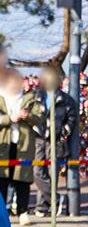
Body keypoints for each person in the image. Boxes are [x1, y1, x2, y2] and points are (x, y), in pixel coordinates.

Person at [0, 68, 41, 222]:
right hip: (2, 145)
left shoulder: (30, 98)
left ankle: (23, 211)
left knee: (22, 179)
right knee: (0, 179)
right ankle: (2, 211)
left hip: (23, 145)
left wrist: (27, 116)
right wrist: (10, 118)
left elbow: (39, 118)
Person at [31, 64, 75, 218]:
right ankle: (56, 199)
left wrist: (62, 131)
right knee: (37, 171)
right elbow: (31, 113)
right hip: (39, 138)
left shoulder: (66, 99)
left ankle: (43, 206)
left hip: (55, 141)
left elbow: (71, 119)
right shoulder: (37, 96)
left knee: (52, 173)